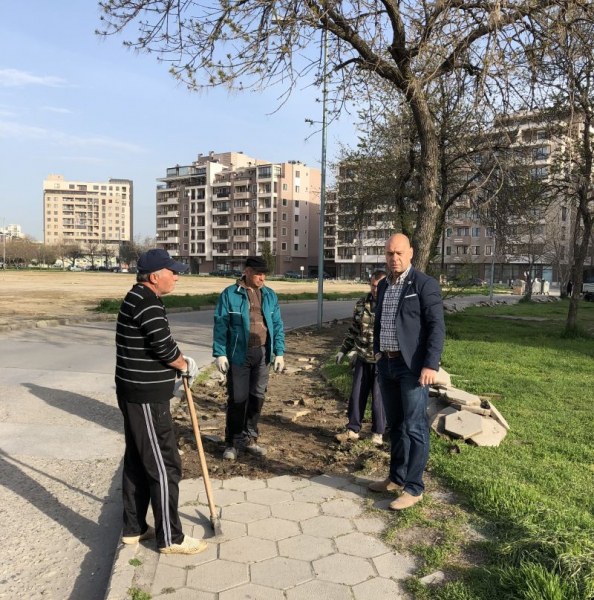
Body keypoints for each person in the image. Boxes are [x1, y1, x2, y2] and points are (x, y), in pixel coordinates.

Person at [115, 248, 207, 555]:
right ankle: (171, 538)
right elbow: (165, 348)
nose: (177, 276)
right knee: (165, 465)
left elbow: (159, 343)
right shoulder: (148, 304)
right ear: (155, 277)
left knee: (138, 461)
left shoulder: (135, 297)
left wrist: (178, 360)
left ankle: (134, 528)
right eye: (173, 272)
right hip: (146, 397)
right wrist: (185, 365)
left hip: (134, 392)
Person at [370, 234, 445, 511]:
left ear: (411, 253)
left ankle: (414, 488)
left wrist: (430, 364)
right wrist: (378, 353)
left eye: (399, 253)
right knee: (396, 425)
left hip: (412, 368)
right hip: (386, 364)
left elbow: (436, 327)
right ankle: (395, 477)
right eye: (390, 254)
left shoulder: (424, 284)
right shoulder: (386, 286)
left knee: (415, 426)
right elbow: (381, 322)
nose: (394, 258)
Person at [213, 256, 285, 461]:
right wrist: (220, 352)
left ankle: (250, 438)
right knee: (237, 399)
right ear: (247, 272)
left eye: (265, 274)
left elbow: (278, 325)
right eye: (258, 273)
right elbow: (220, 325)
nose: (262, 278)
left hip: (262, 354)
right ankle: (233, 442)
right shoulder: (230, 294)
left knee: (257, 397)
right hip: (238, 355)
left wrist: (279, 352)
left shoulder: (269, 295)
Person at [335, 270, 387, 446]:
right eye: (372, 286)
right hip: (363, 357)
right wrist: (343, 350)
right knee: (357, 394)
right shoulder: (361, 304)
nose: (375, 290)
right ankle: (352, 429)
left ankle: (378, 433)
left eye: (378, 286)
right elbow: (353, 331)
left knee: (379, 398)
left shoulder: (390, 304)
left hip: (382, 359)